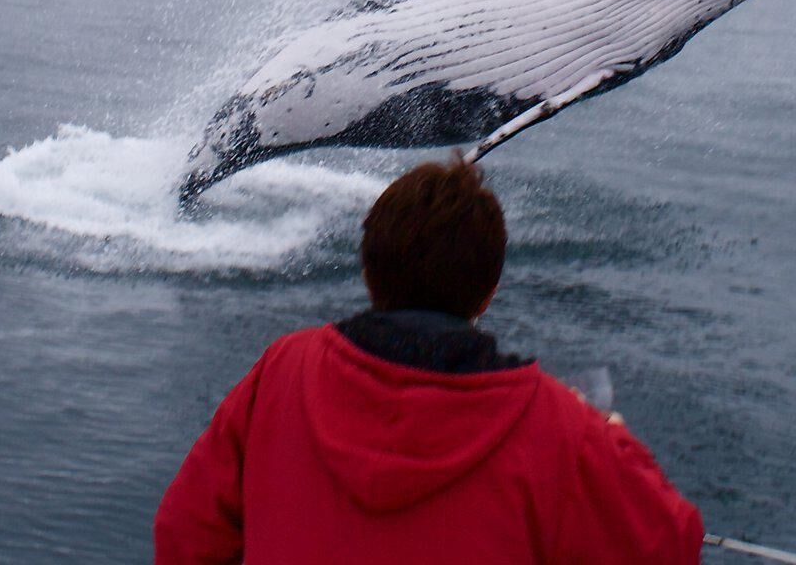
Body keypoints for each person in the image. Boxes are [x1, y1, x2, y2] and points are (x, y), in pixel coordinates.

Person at [155, 156, 703, 564]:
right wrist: (613, 438)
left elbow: (185, 534)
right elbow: (671, 542)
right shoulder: (559, 426)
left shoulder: (282, 371)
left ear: (368, 274)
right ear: (488, 292)